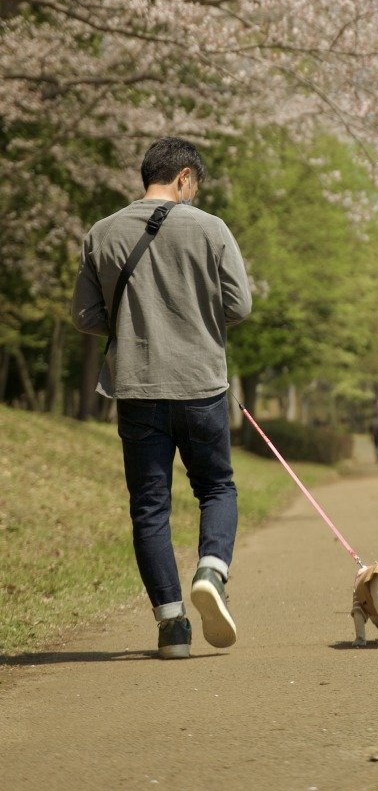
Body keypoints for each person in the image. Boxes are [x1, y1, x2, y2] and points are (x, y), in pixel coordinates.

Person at [71, 137, 252, 659]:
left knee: (149, 507)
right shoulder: (210, 228)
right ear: (185, 179)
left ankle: (171, 626)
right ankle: (212, 572)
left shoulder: (100, 233)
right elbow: (239, 306)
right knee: (216, 487)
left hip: (137, 387)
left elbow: (83, 315)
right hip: (201, 385)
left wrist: (129, 326)